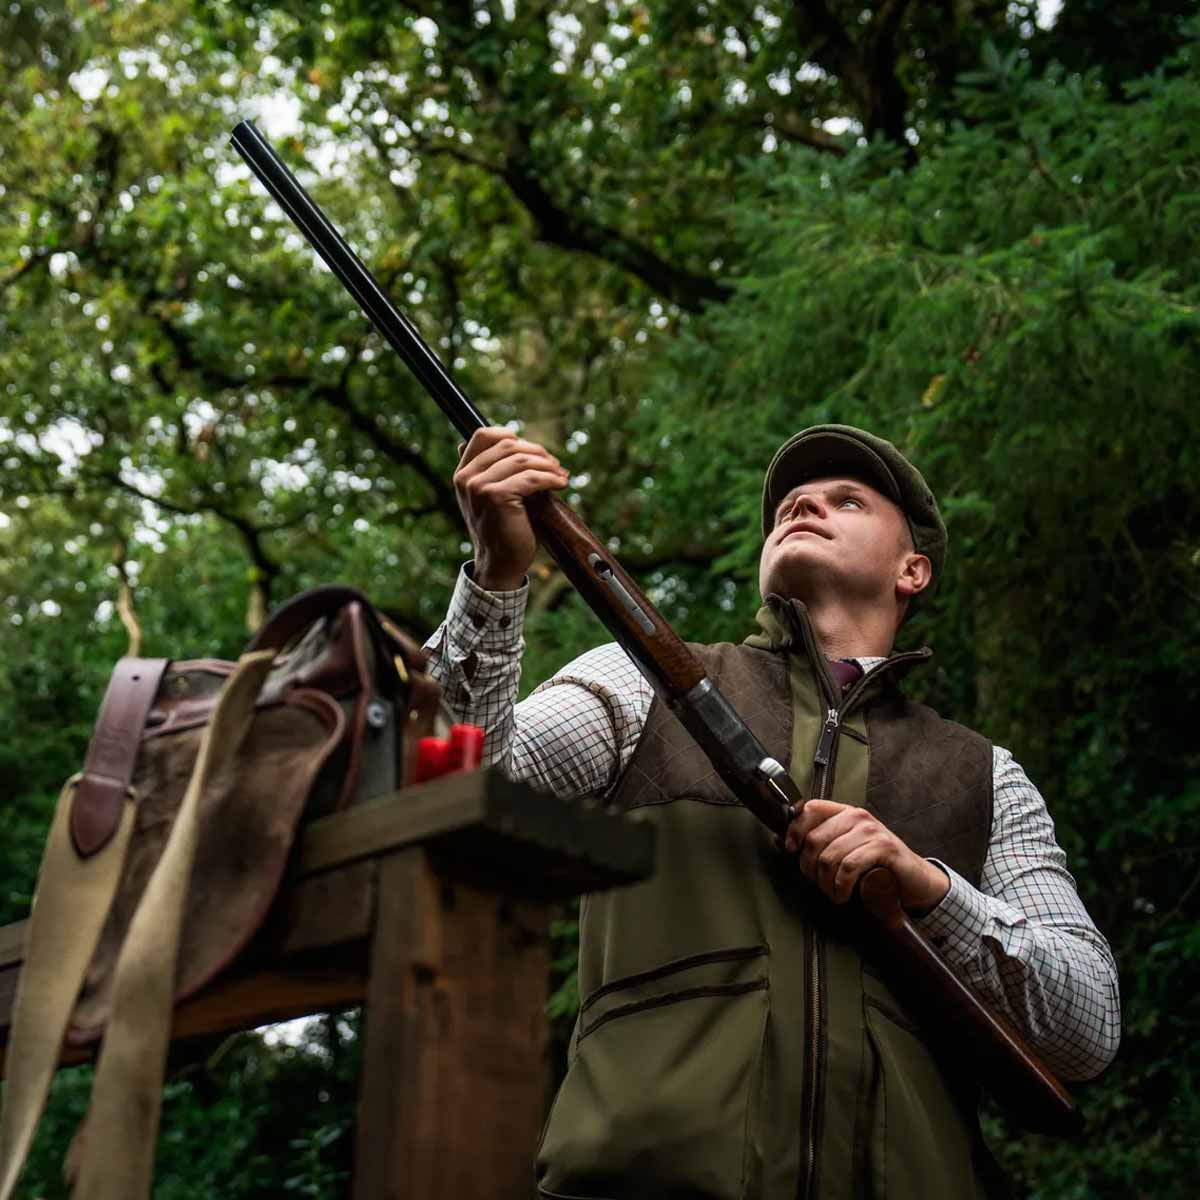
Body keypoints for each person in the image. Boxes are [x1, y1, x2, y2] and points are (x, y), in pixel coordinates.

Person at [424, 423, 1121, 1200]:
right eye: (791, 502)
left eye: (845, 500)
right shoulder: (638, 683)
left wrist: (927, 888)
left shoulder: (984, 774)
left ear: (912, 571)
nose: (804, 506)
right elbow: (454, 800)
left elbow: (1088, 1025)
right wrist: (495, 578)